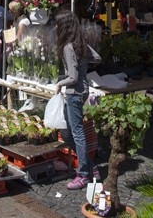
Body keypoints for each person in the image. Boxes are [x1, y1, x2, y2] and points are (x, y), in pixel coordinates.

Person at [54, 10, 100, 190]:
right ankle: (91, 167)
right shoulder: (80, 43)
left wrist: (60, 83)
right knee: (67, 132)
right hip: (83, 90)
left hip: (74, 92)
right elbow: (97, 57)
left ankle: (83, 175)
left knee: (77, 134)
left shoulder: (68, 47)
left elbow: (72, 77)